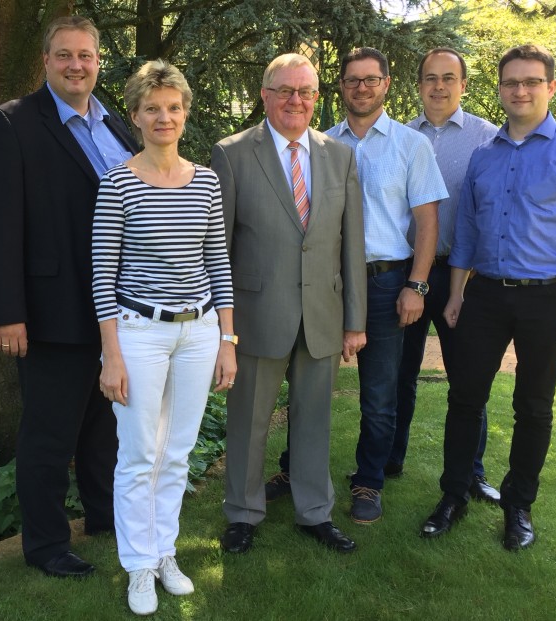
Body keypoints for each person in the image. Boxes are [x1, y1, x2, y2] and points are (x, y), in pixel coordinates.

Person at [419, 44, 556, 550]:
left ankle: (519, 505)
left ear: (550, 87)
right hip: (483, 294)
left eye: (531, 82)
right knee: (464, 398)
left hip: (548, 300)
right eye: (511, 83)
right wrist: (458, 293)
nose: (520, 91)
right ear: (500, 89)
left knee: (534, 406)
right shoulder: (485, 155)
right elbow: (465, 231)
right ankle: (454, 494)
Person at [0, 16, 138, 579]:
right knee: (48, 437)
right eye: (64, 55)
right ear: (45, 60)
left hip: (117, 311)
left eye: (86, 55)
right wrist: (7, 314)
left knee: (103, 428)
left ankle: (103, 517)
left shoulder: (117, 123)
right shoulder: (11, 124)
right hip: (52, 312)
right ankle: (44, 545)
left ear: (98, 61)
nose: (76, 65)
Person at [93, 60, 236, 616]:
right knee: (138, 453)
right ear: (134, 116)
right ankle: (137, 566)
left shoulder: (205, 180)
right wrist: (111, 355)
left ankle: (165, 553)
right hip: (139, 334)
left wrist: (228, 339)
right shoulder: (118, 182)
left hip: (199, 333)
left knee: (175, 453)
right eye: (152, 108)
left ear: (184, 113)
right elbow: (103, 273)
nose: (164, 117)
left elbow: (217, 261)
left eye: (173, 107)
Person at [211, 53, 366, 555]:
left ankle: (313, 512)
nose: (295, 100)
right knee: (249, 422)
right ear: (265, 94)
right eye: (284, 90)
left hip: (322, 313)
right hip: (257, 313)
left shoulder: (339, 155)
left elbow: (351, 244)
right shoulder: (232, 154)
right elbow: (219, 246)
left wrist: (354, 321)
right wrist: (223, 328)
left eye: (305, 91)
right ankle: (242, 513)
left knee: (315, 419)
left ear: (318, 97)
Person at [324, 47, 446, 524]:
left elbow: (428, 222)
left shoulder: (411, 145)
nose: (361, 87)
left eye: (371, 79)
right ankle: (297, 469)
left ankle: (368, 481)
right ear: (341, 86)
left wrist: (416, 285)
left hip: (385, 280)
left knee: (379, 393)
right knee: (311, 383)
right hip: (326, 284)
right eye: (352, 80)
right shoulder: (321, 144)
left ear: (387, 84)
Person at [390, 48, 500, 503]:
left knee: (468, 380)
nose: (439, 86)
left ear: (464, 85)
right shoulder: (396, 136)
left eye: (448, 78)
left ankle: (471, 472)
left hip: (463, 279)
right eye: (430, 78)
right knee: (399, 376)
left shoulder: (489, 139)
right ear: (418, 85)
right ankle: (387, 460)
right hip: (408, 274)